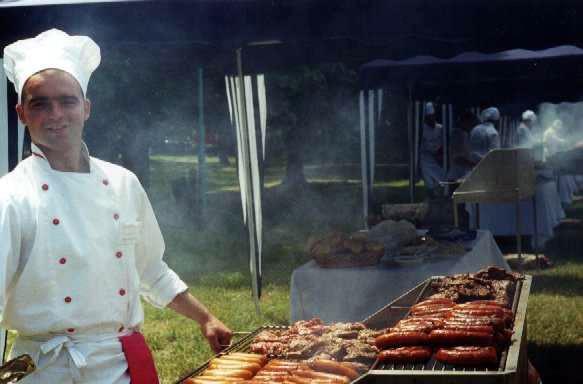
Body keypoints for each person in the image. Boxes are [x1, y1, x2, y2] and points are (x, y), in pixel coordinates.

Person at [0, 29, 232, 383]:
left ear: (87, 108)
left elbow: (150, 268)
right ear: (21, 113)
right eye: (40, 103)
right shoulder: (12, 196)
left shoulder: (123, 183)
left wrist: (206, 318)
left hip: (120, 364)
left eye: (67, 100)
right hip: (47, 370)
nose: (56, 114)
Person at [419, 102, 444, 196]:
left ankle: (439, 190)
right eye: (429, 117)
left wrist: (440, 154)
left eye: (433, 116)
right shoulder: (422, 129)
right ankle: (432, 191)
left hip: (440, 156)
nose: (431, 119)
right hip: (427, 156)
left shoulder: (440, 128)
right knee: (426, 166)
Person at [447, 110, 478, 180]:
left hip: (463, 176)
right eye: (471, 123)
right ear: (465, 122)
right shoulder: (457, 134)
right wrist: (474, 165)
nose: (473, 126)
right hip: (456, 177)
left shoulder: (466, 134)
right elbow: (457, 158)